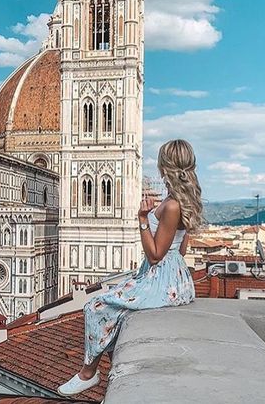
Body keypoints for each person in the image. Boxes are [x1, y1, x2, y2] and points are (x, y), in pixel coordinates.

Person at [58, 139, 203, 396]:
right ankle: (109, 365)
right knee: (121, 311)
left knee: (95, 306)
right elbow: (179, 250)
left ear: (164, 167)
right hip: (174, 278)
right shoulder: (180, 201)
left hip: (161, 279)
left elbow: (156, 255)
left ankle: (88, 372)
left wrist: (142, 219)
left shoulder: (171, 205)